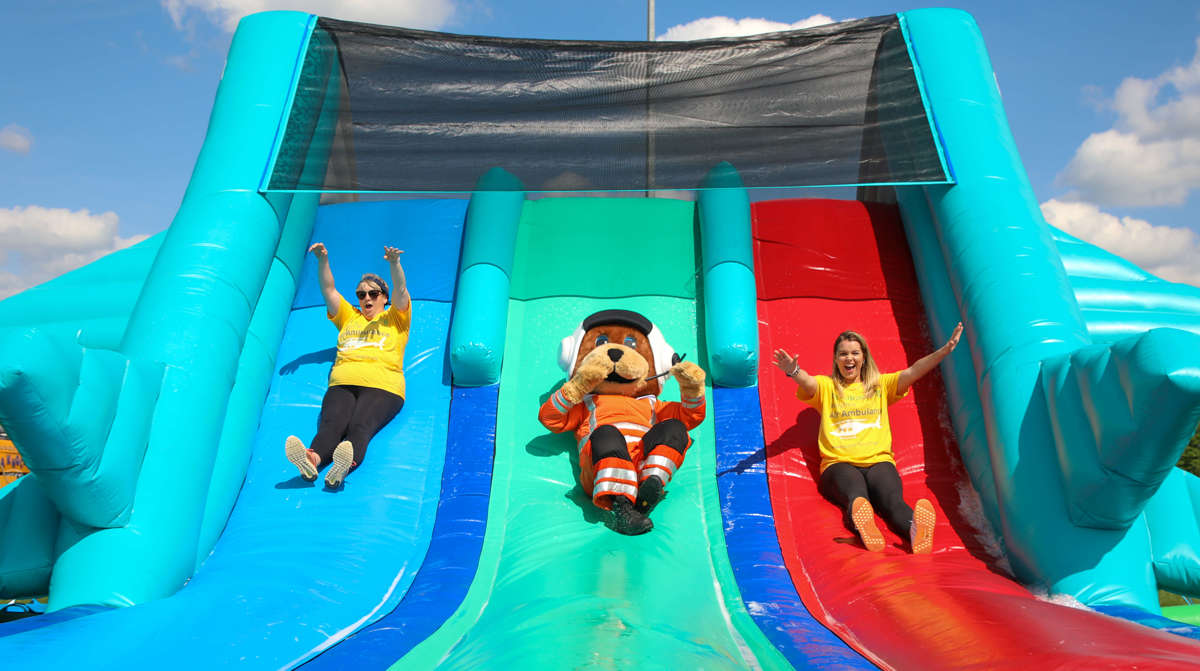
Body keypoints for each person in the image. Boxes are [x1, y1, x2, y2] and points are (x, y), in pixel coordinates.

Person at [772, 323, 963, 554]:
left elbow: (913, 371)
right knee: (857, 495)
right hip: (839, 465)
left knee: (892, 501)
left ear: (863, 357)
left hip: (879, 462)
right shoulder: (828, 387)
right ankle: (865, 525)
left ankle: (915, 529)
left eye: (854, 353)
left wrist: (944, 351)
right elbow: (808, 382)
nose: (848, 358)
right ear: (836, 359)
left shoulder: (880, 386)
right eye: (843, 354)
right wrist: (794, 371)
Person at [284, 243, 411, 488]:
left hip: (383, 387)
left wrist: (394, 264)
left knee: (359, 426)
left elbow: (401, 289)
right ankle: (312, 459)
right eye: (361, 294)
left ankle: (342, 467)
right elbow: (328, 289)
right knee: (331, 425)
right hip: (342, 383)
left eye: (373, 294)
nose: (366, 298)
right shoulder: (348, 316)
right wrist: (322, 260)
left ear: (384, 298)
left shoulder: (396, 317)